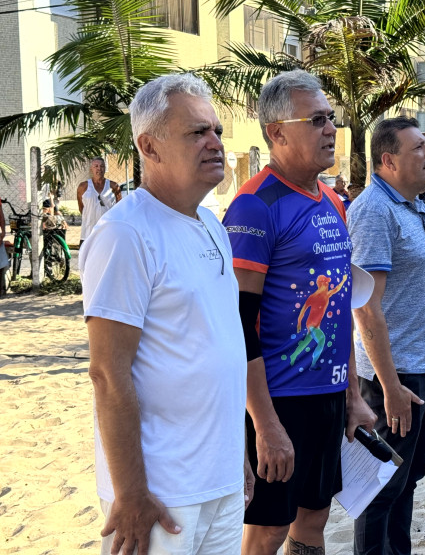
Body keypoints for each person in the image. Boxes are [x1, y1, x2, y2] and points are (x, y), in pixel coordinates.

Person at [80, 73, 253, 555]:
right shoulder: (125, 235)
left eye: (216, 130)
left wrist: (233, 452)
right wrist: (130, 493)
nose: (215, 142)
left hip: (217, 480)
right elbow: (107, 374)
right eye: (197, 132)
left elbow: (218, 347)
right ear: (149, 147)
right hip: (160, 492)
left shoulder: (211, 226)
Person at [221, 69, 375, 555]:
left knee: (315, 518)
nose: (331, 129)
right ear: (277, 133)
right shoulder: (253, 206)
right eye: (317, 120)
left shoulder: (333, 201)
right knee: (267, 527)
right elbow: (239, 324)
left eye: (332, 119)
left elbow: (341, 312)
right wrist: (264, 424)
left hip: (327, 394)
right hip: (278, 398)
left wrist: (351, 394)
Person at [348, 116, 425, 555]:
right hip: (398, 380)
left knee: (406, 481)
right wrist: (390, 387)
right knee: (379, 491)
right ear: (388, 161)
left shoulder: (413, 204)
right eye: (420, 148)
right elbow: (365, 308)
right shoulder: (374, 211)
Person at [77, 157, 121, 245]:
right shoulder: (83, 187)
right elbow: (81, 207)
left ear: (105, 169)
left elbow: (119, 207)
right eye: (96, 166)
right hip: (89, 232)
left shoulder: (113, 186)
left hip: (108, 231)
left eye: (102, 166)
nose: (99, 169)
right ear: (91, 169)